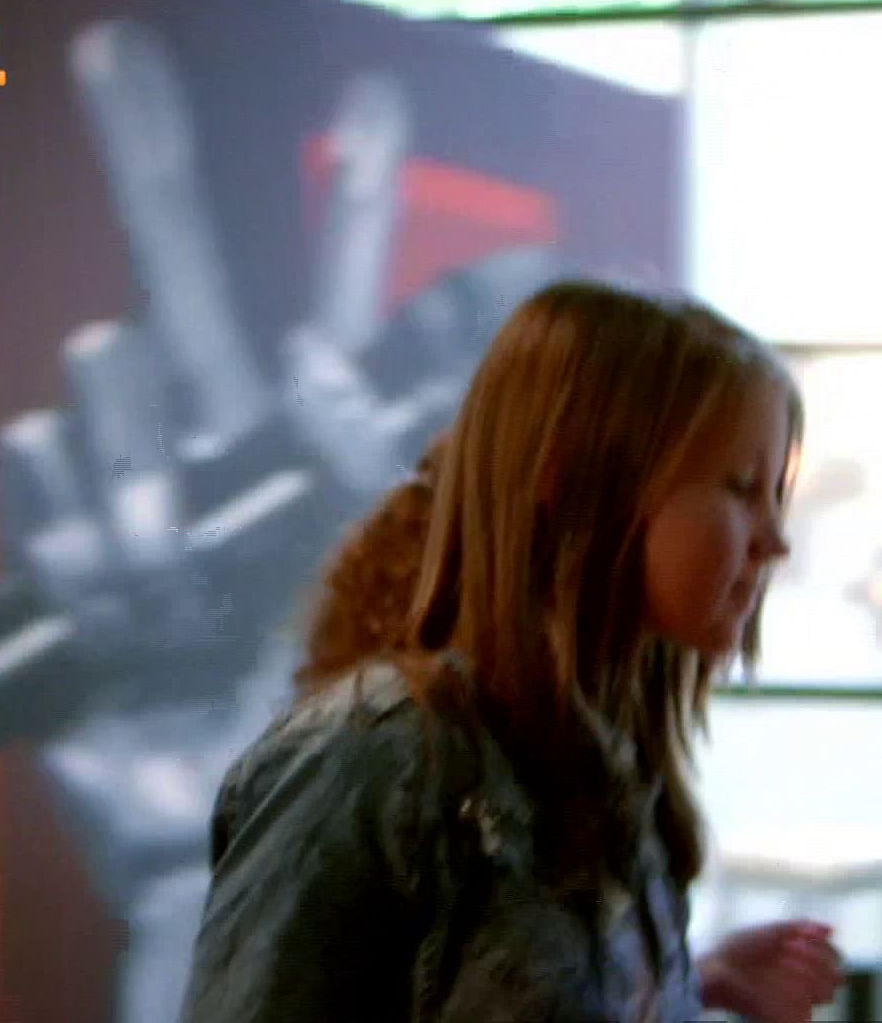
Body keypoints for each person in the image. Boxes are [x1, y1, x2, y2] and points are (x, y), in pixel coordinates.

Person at [179, 281, 845, 1022]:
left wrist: (688, 985)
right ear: (571, 475)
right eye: (740, 487)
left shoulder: (610, 757)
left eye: (775, 495)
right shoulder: (370, 758)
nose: (775, 540)